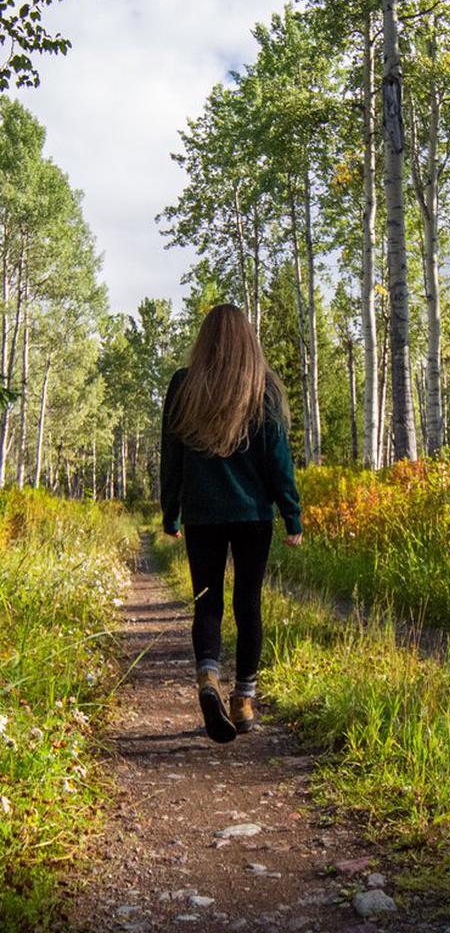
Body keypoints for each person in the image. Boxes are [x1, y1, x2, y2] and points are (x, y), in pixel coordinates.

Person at [159, 303, 302, 744]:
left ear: (205, 339)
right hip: (253, 516)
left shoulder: (184, 384)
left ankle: (207, 678)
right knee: (248, 603)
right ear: (248, 340)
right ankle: (243, 699)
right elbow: (278, 461)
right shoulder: (263, 389)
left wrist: (171, 511)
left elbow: (172, 458)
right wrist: (291, 513)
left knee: (207, 601)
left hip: (203, 514)